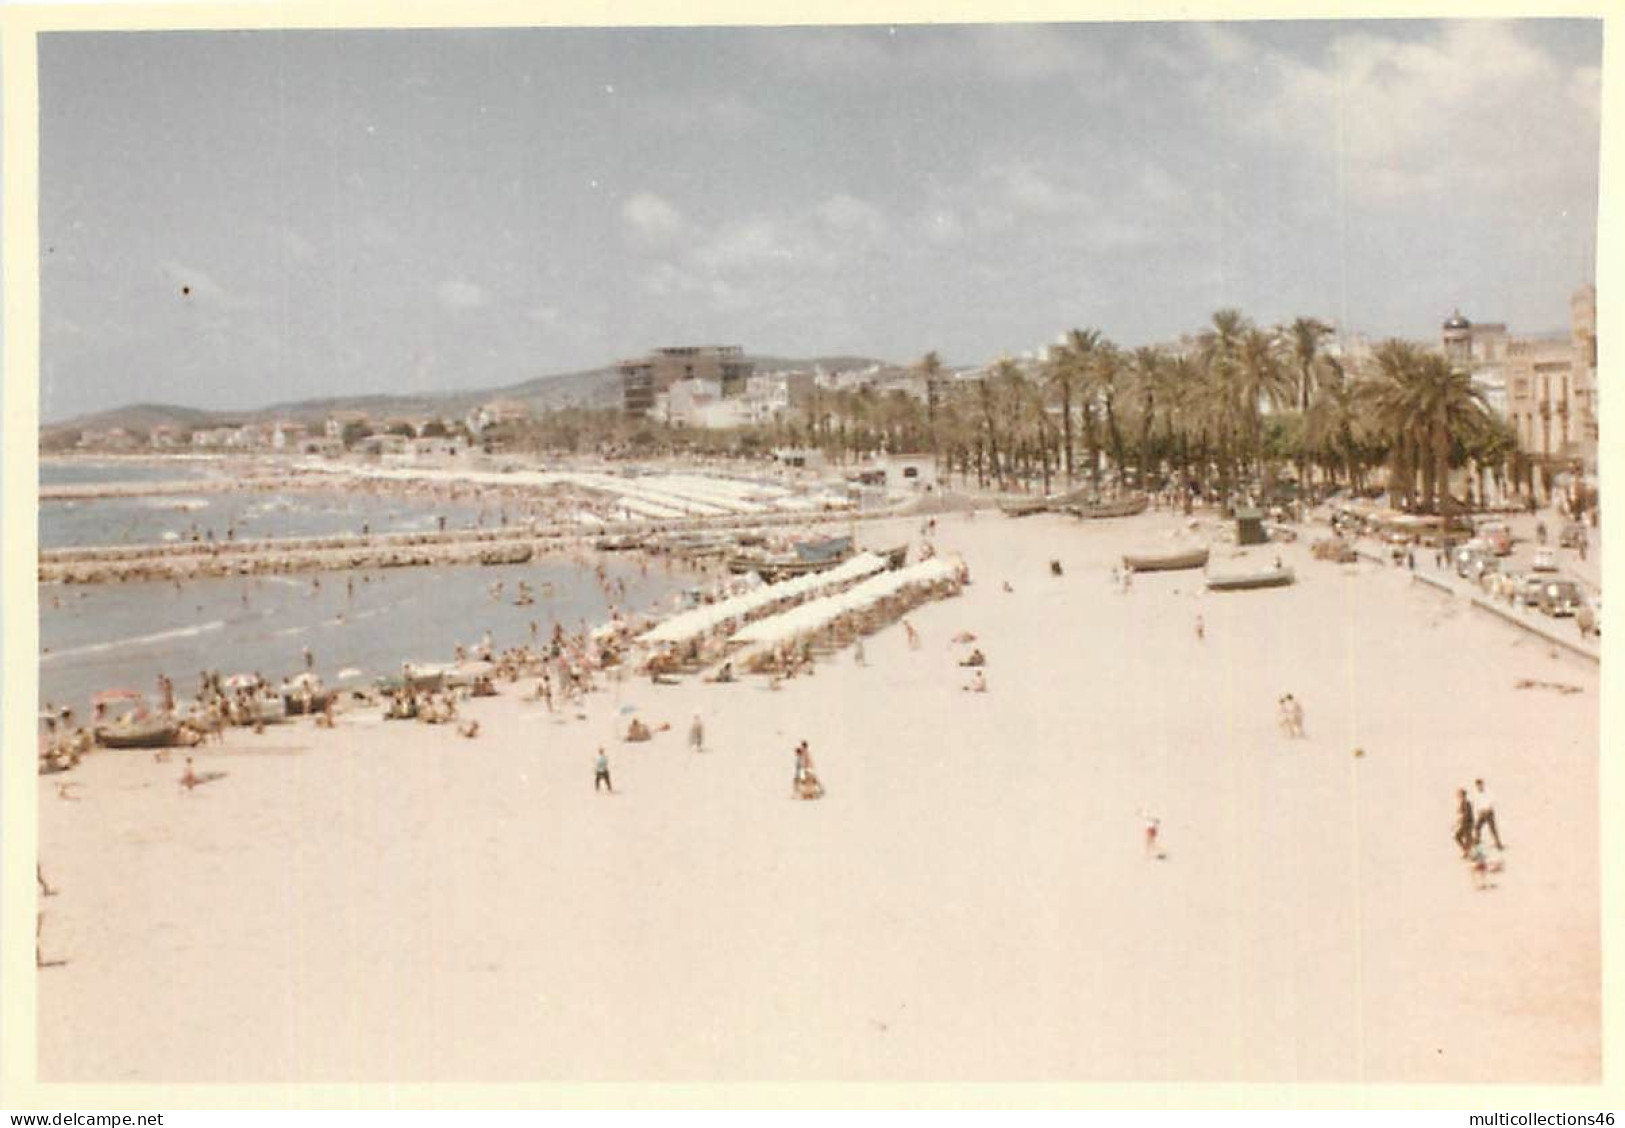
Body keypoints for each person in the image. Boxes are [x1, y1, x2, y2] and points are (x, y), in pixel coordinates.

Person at [1473, 778, 1504, 850]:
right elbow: (1477, 803)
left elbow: (1492, 801)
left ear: (1482, 784)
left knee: (1492, 829)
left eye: (1480, 785)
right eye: (1477, 785)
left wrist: (1488, 809)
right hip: (1482, 813)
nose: (1479, 787)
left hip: (1489, 813)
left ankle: (1498, 844)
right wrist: (1479, 811)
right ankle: (1477, 840)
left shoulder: (1488, 792)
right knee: (1477, 827)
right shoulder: (1476, 793)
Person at [1454, 788, 1476, 858]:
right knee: (1458, 836)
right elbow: (1462, 813)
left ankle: (1470, 853)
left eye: (1459, 794)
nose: (1458, 796)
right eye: (1458, 795)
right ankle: (1467, 851)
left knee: (1468, 839)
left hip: (1468, 823)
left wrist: (1460, 821)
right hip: (1465, 823)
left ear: (1463, 795)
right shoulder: (1462, 803)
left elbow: (1467, 814)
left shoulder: (1467, 803)